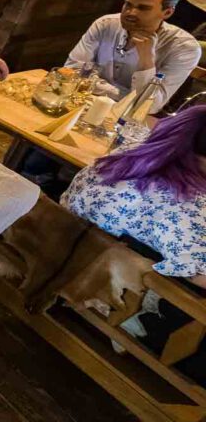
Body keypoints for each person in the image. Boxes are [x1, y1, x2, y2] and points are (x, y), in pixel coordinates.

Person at [62, 105, 206, 287]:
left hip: (52, 249)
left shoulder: (127, 153)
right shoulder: (192, 206)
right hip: (95, 290)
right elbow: (198, 274)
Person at [65, 0, 201, 112]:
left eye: (143, 8)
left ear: (167, 12)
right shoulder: (105, 24)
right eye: (128, 5)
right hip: (82, 101)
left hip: (128, 118)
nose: (131, 13)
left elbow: (149, 107)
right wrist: (125, 95)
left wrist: (146, 60)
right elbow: (71, 71)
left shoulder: (185, 48)